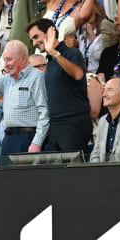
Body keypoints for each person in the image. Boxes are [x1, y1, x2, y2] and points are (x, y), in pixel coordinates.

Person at [0, 40, 49, 161]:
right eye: (4, 60)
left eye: (9, 59)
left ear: (24, 58)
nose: (5, 65)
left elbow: (44, 112)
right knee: (4, 173)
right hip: (8, 138)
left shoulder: (37, 77)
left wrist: (37, 142)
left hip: (28, 137)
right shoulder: (7, 79)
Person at [25, 19, 90, 153]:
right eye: (32, 40)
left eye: (36, 37)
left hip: (74, 125)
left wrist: (54, 52)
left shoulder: (71, 53)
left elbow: (78, 74)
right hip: (55, 127)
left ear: (51, 32)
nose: (34, 43)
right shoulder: (50, 62)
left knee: (73, 166)